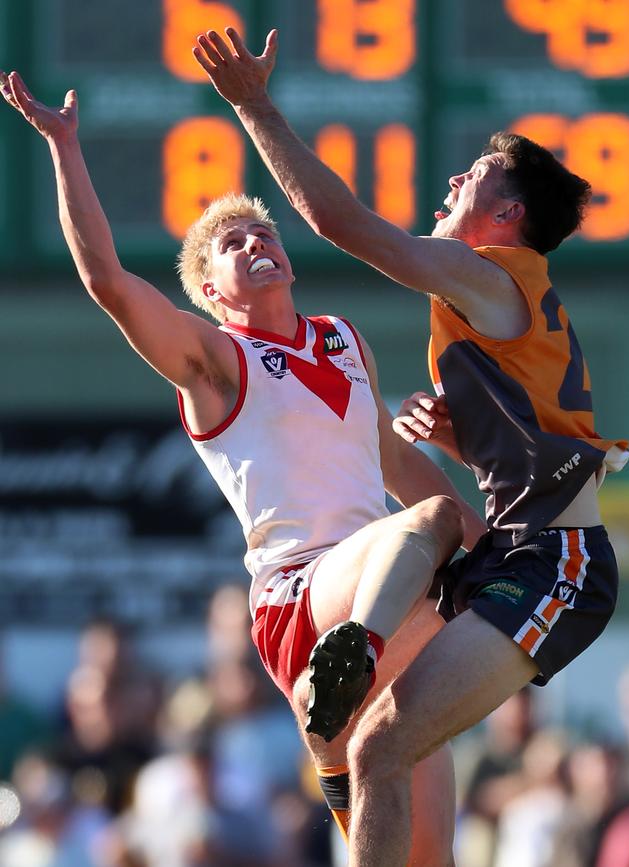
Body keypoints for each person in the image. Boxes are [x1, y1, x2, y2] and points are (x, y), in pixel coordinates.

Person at [0, 69, 485, 865]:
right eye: (233, 245)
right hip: (306, 597)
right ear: (212, 295)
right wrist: (64, 148)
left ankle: (341, 726)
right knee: (431, 526)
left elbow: (396, 459)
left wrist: (497, 554)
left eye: (264, 235)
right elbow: (108, 283)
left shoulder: (342, 339)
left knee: (425, 853)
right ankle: (341, 679)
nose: (256, 243)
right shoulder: (219, 360)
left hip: (384, 590)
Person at [190, 27, 629, 866]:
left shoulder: (495, 271)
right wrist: (462, 435)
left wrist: (253, 105)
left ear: (505, 219)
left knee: (377, 747)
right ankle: (352, 666)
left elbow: (344, 222)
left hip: (556, 561)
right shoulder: (495, 303)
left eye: (477, 178)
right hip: (521, 553)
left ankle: (353, 645)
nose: (456, 177)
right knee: (377, 754)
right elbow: (536, 454)